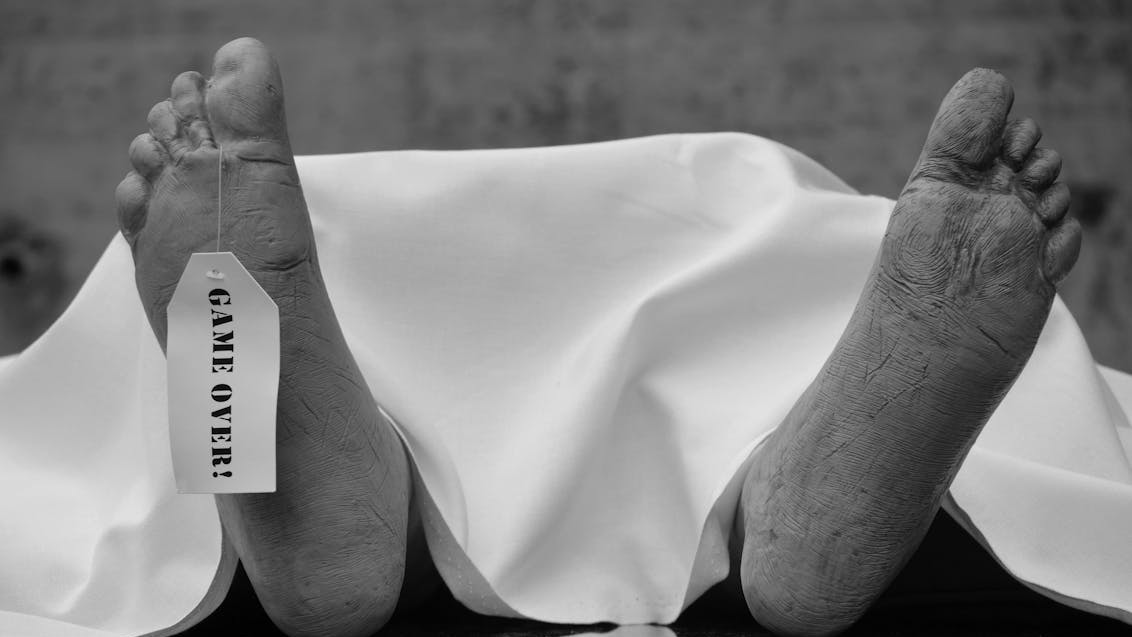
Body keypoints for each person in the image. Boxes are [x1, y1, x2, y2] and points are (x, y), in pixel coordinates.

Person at [6, 37, 1129, 637]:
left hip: (377, 281)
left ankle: (338, 510)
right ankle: (783, 504)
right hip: (732, 268)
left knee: (345, 287)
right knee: (782, 275)